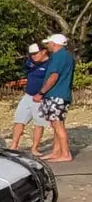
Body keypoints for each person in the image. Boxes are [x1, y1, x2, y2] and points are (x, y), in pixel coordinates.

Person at [36, 33, 76, 162]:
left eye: (49, 43)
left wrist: (41, 92)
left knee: (58, 124)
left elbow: (53, 77)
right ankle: (56, 151)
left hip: (57, 95)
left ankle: (65, 153)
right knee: (56, 124)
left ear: (54, 43)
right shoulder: (67, 56)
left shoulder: (59, 56)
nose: (48, 46)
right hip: (60, 94)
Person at [10, 43, 49, 154]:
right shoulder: (30, 63)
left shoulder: (49, 64)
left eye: (35, 54)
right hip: (28, 95)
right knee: (19, 120)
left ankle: (34, 148)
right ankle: (14, 145)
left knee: (39, 123)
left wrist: (43, 94)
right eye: (31, 54)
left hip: (41, 97)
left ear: (43, 51)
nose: (33, 56)